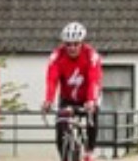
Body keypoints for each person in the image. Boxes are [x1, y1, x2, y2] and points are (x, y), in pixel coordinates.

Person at [41, 21, 102, 161]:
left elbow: (94, 79)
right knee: (60, 128)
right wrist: (48, 100)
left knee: (92, 116)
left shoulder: (91, 56)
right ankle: (67, 155)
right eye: (68, 44)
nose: (72, 48)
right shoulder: (57, 56)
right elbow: (52, 80)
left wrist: (91, 100)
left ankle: (89, 150)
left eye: (76, 44)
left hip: (88, 95)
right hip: (67, 98)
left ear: (82, 43)